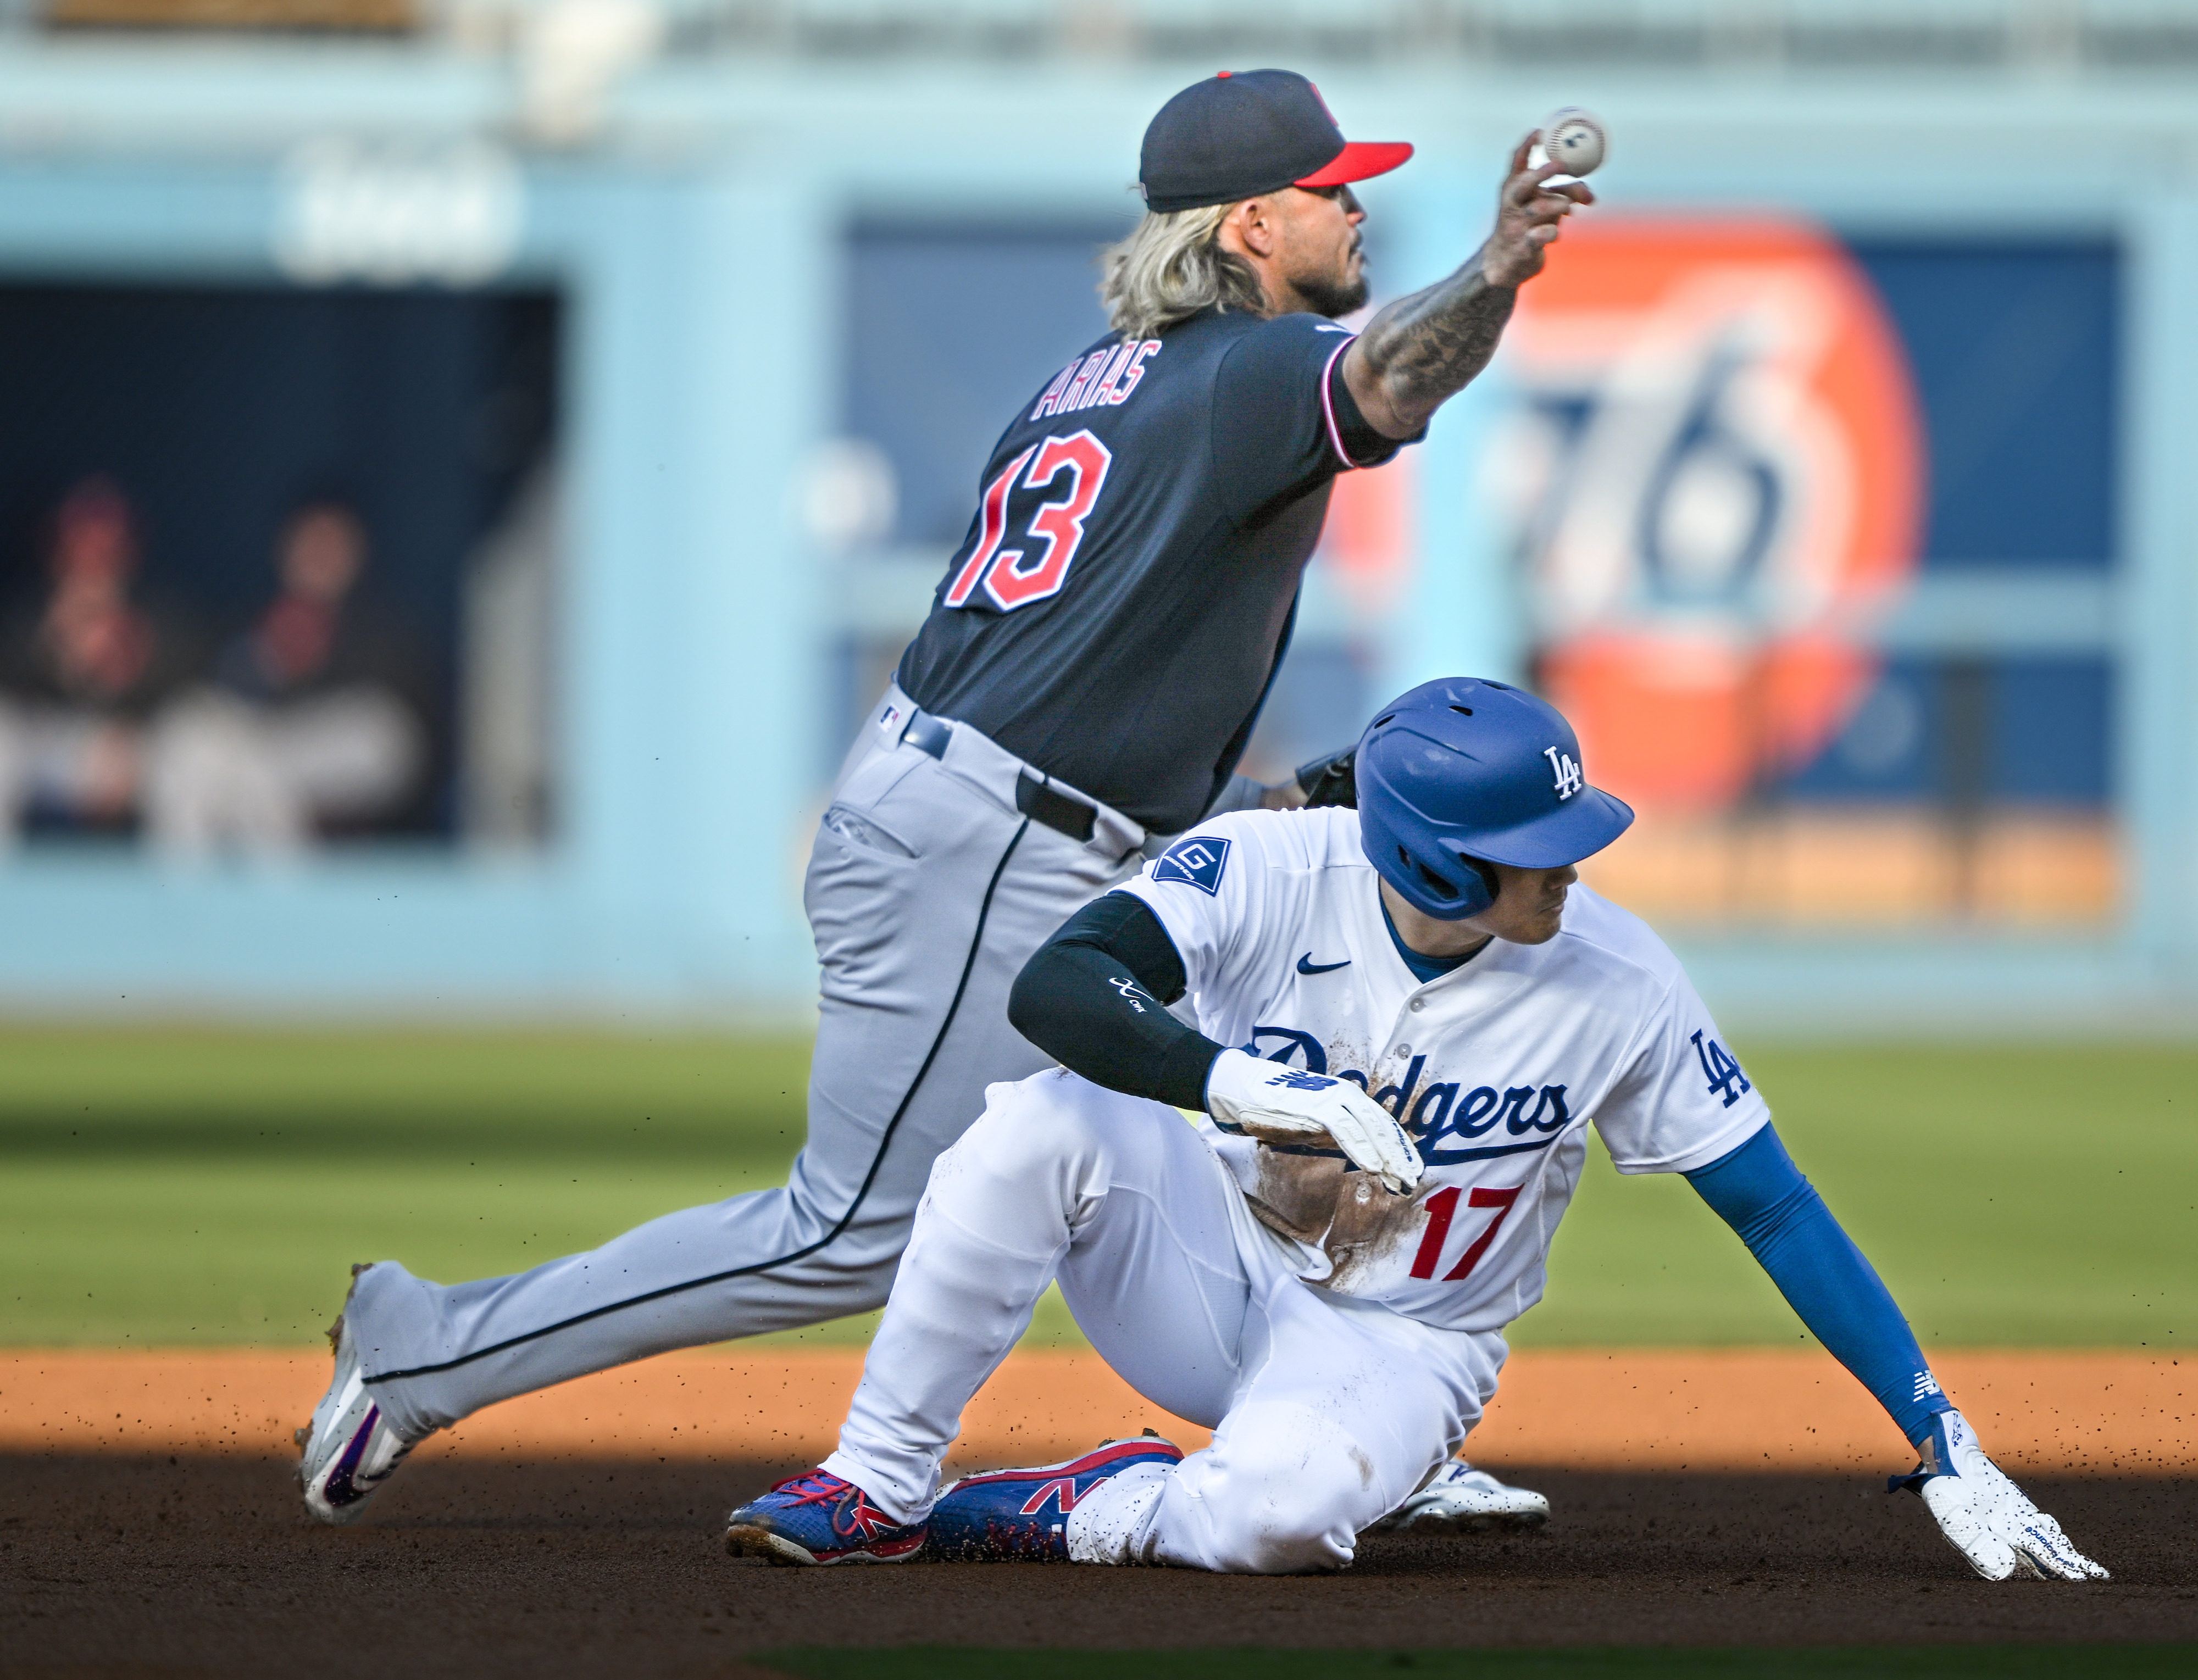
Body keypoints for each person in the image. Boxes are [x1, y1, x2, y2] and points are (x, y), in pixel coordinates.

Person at [298, 69, 1595, 1524]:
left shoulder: (1107, 382)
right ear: (1247, 228)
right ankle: (424, 1353)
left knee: (1287, 1105)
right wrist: (1493, 269)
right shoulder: (1241, 376)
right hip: (988, 846)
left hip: (1019, 815)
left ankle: (1348, 1434)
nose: (1355, 205)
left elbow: (1087, 672)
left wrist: (1268, 801)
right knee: (854, 1229)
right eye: (1329, 187)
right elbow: (1389, 379)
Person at [724, 678, 2108, 1583]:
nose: (1571, 859)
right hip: (1208, 1261)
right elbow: (1060, 982)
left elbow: (1773, 1205)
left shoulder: (1616, 977)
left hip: (1403, 1334)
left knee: (1268, 1520)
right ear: (1438, 855)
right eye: (1536, 837)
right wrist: (1240, 1084)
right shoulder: (1273, 868)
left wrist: (1938, 1427)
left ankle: (1099, 1496)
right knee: (1031, 1125)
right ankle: (875, 1481)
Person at [144, 501, 424, 857]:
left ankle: (283, 899)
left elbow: (396, 738)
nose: (321, 555)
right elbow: (215, 696)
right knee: (196, 740)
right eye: (310, 541)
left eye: (334, 543)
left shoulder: (381, 633)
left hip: (335, 755)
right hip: (255, 757)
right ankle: (186, 895)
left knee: (371, 736)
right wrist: (270, 662)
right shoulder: (251, 623)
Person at [0, 478, 191, 841]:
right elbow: (14, 697)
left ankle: (183, 893)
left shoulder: (155, 619)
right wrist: (56, 650)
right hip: (53, 747)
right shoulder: (30, 622)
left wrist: (127, 664)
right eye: (81, 545)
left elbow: (188, 686)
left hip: (137, 748)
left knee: (195, 748)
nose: (93, 559)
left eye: (106, 547)